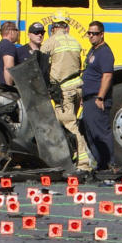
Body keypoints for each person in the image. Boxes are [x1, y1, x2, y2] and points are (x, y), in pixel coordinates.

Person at [40, 17, 87, 170]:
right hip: (77, 87)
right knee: (70, 122)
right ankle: (72, 155)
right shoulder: (75, 41)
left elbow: (42, 67)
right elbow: (80, 65)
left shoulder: (50, 42)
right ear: (66, 27)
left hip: (63, 91)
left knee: (70, 124)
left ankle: (83, 162)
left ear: (53, 28)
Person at [80, 21, 116, 172]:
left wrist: (100, 98)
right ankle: (101, 165)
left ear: (102, 34)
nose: (91, 36)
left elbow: (107, 76)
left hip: (97, 98)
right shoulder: (93, 50)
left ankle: (110, 164)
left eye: (94, 34)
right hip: (89, 98)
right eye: (89, 33)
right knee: (89, 132)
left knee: (101, 133)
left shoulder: (105, 52)